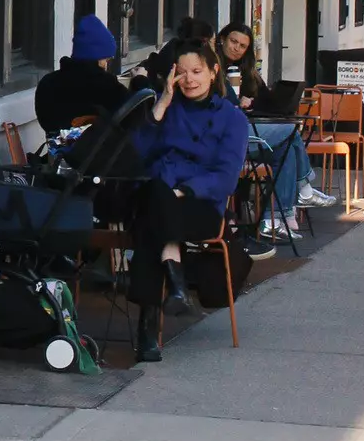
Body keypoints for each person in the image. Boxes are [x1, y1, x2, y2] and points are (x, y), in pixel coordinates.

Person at [126, 37, 250, 363]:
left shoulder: (233, 118)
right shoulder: (166, 109)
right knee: (154, 197)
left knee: (152, 217)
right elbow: (135, 155)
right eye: (182, 73)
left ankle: (149, 327)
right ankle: (174, 278)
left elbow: (225, 178)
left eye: (197, 71)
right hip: (159, 196)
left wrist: (183, 190)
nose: (190, 80)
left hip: (200, 205)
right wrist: (161, 104)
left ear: (213, 71)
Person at [218, 22, 334, 233]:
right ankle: (303, 191)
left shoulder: (249, 73)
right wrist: (237, 103)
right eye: (233, 41)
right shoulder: (213, 70)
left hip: (251, 132)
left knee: (287, 149)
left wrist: (256, 102)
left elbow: (265, 100)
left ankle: (274, 221)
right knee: (290, 132)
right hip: (232, 140)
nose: (236, 48)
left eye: (242, 46)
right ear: (222, 39)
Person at [35, 15, 129, 134]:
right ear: (96, 57)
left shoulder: (47, 82)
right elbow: (135, 115)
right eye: (106, 60)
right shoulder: (105, 84)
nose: (106, 66)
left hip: (58, 150)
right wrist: (140, 80)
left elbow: (46, 121)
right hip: (99, 150)